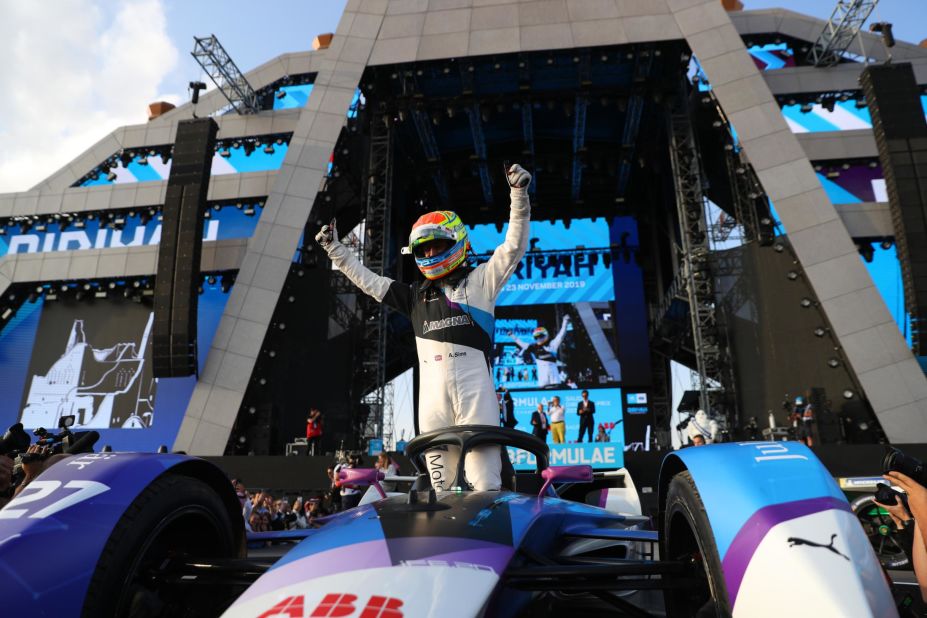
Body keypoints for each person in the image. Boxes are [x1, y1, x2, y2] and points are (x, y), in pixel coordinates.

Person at [316, 164, 532, 491]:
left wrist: (519, 195)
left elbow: (513, 248)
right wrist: (336, 250)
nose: (430, 253)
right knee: (440, 490)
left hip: (478, 396)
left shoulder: (482, 281)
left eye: (437, 246)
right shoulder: (415, 296)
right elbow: (370, 282)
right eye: (424, 249)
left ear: (457, 242)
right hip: (431, 401)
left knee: (486, 484)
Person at [509, 315, 570, 388]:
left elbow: (561, 334)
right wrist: (512, 336)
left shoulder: (553, 344)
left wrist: (565, 321)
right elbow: (521, 343)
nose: (539, 338)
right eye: (537, 337)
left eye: (541, 336)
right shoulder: (533, 347)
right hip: (543, 379)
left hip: (554, 377)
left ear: (546, 335)